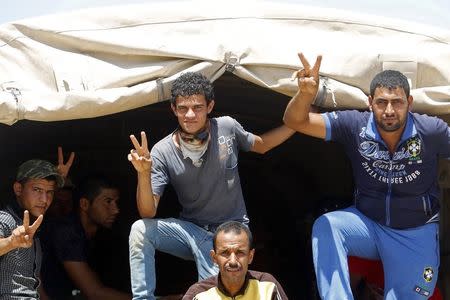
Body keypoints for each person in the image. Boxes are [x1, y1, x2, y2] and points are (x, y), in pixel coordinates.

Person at [283, 53, 449, 299]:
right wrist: (305, 94)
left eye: (397, 102)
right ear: (370, 102)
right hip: (368, 225)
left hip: (414, 234)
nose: (389, 110)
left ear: (410, 102)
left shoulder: (431, 131)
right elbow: (295, 121)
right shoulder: (354, 125)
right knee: (327, 225)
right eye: (382, 102)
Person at [127, 71, 295, 299]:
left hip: (229, 234)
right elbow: (148, 211)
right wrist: (143, 174)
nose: (190, 114)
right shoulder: (162, 151)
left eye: (197, 107)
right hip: (191, 231)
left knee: (216, 294)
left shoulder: (226, 128)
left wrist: (298, 124)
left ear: (210, 106)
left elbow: (262, 145)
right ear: (173, 109)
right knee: (139, 229)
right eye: (183, 108)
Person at [41, 175, 131, 300]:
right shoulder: (66, 232)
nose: (116, 210)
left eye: (116, 202)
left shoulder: (104, 235)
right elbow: (94, 293)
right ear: (84, 204)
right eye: (108, 201)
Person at [0, 157, 68, 299]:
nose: (44, 199)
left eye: (49, 192)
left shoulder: (33, 230)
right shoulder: (6, 219)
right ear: (18, 189)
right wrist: (11, 242)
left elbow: (36, 286)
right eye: (37, 189)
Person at [182, 221, 288, 300]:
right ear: (214, 257)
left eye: (240, 252)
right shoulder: (198, 294)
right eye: (225, 253)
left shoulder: (267, 285)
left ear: (250, 256)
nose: (233, 261)